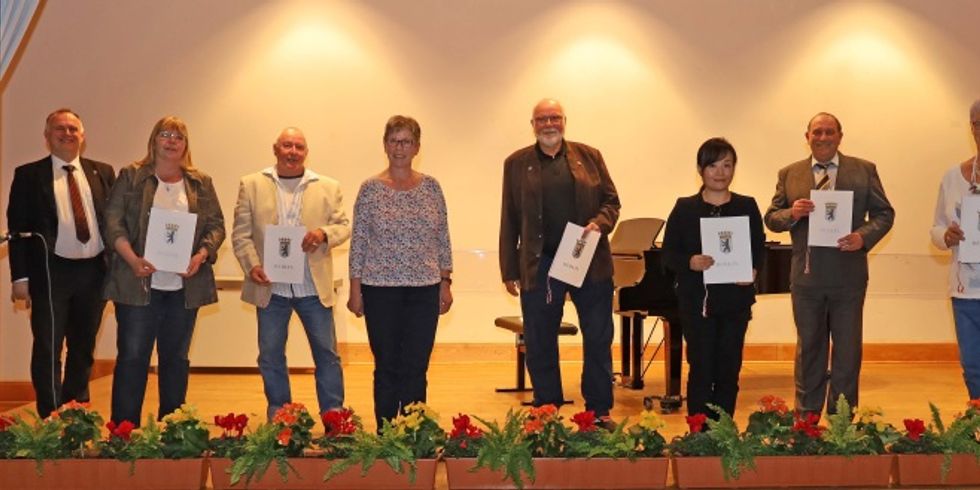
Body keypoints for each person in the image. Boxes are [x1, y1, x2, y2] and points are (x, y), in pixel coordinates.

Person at [764, 112, 894, 415]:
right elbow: (771, 218)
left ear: (840, 136)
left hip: (848, 277)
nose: (823, 137)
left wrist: (863, 237)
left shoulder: (863, 170)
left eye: (829, 132)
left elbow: (884, 214)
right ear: (807, 137)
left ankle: (842, 422)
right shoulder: (789, 174)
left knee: (847, 352)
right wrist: (792, 213)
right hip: (806, 278)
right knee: (809, 349)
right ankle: (806, 420)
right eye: (817, 132)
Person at [499, 99, 620, 419]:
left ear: (564, 121)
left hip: (590, 262)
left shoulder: (590, 157)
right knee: (539, 341)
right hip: (542, 264)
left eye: (554, 117)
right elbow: (509, 218)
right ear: (533, 124)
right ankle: (547, 411)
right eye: (541, 119)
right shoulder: (516, 163)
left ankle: (598, 411)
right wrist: (510, 268)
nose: (548, 124)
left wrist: (599, 224)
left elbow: (612, 202)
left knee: (598, 337)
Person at [103, 116, 225, 425]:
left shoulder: (200, 182)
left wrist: (200, 255)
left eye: (178, 137)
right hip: (137, 285)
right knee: (132, 359)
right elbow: (112, 222)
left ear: (186, 145)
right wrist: (133, 260)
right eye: (165, 134)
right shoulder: (131, 176)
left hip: (183, 289)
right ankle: (124, 432)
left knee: (176, 361)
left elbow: (216, 226)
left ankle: (172, 432)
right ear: (154, 140)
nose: (171, 141)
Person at [232, 127, 350, 421]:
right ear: (276, 149)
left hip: (313, 287)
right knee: (270, 356)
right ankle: (281, 417)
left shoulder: (328, 186)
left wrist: (323, 233)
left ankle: (334, 417)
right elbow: (240, 235)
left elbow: (344, 226)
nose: (293, 151)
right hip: (271, 289)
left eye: (299, 146)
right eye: (287, 145)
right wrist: (252, 265)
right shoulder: (251, 184)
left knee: (327, 355)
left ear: (305, 153)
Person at [6, 108, 116, 417]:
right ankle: (51, 416)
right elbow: (18, 231)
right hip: (50, 273)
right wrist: (20, 278)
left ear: (83, 136)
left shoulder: (103, 172)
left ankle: (75, 412)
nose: (67, 133)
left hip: (94, 272)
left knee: (83, 348)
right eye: (59, 129)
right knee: (48, 347)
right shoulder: (28, 175)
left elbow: (114, 224)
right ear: (47, 137)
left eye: (73, 129)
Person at [347, 115, 453, 431]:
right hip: (380, 290)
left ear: (417, 147)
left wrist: (445, 282)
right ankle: (385, 433)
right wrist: (355, 290)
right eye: (394, 140)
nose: (400, 147)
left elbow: (443, 237)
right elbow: (359, 241)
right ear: (385, 145)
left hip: (424, 289)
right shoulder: (370, 189)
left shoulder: (432, 187)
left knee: (416, 366)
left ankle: (413, 432)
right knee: (387, 365)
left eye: (406, 141)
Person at [663, 137, 765, 423]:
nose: (720, 172)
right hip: (697, 304)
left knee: (729, 369)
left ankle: (723, 431)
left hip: (735, 303)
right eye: (713, 165)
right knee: (701, 368)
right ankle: (698, 432)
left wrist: (754, 270)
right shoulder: (685, 208)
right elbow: (668, 255)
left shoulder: (747, 205)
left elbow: (759, 248)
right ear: (700, 169)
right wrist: (689, 262)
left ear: (734, 169)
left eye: (727, 165)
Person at [929, 99, 980, 400]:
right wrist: (947, 236)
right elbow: (934, 229)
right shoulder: (952, 177)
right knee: (973, 366)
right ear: (972, 128)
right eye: (979, 123)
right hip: (965, 292)